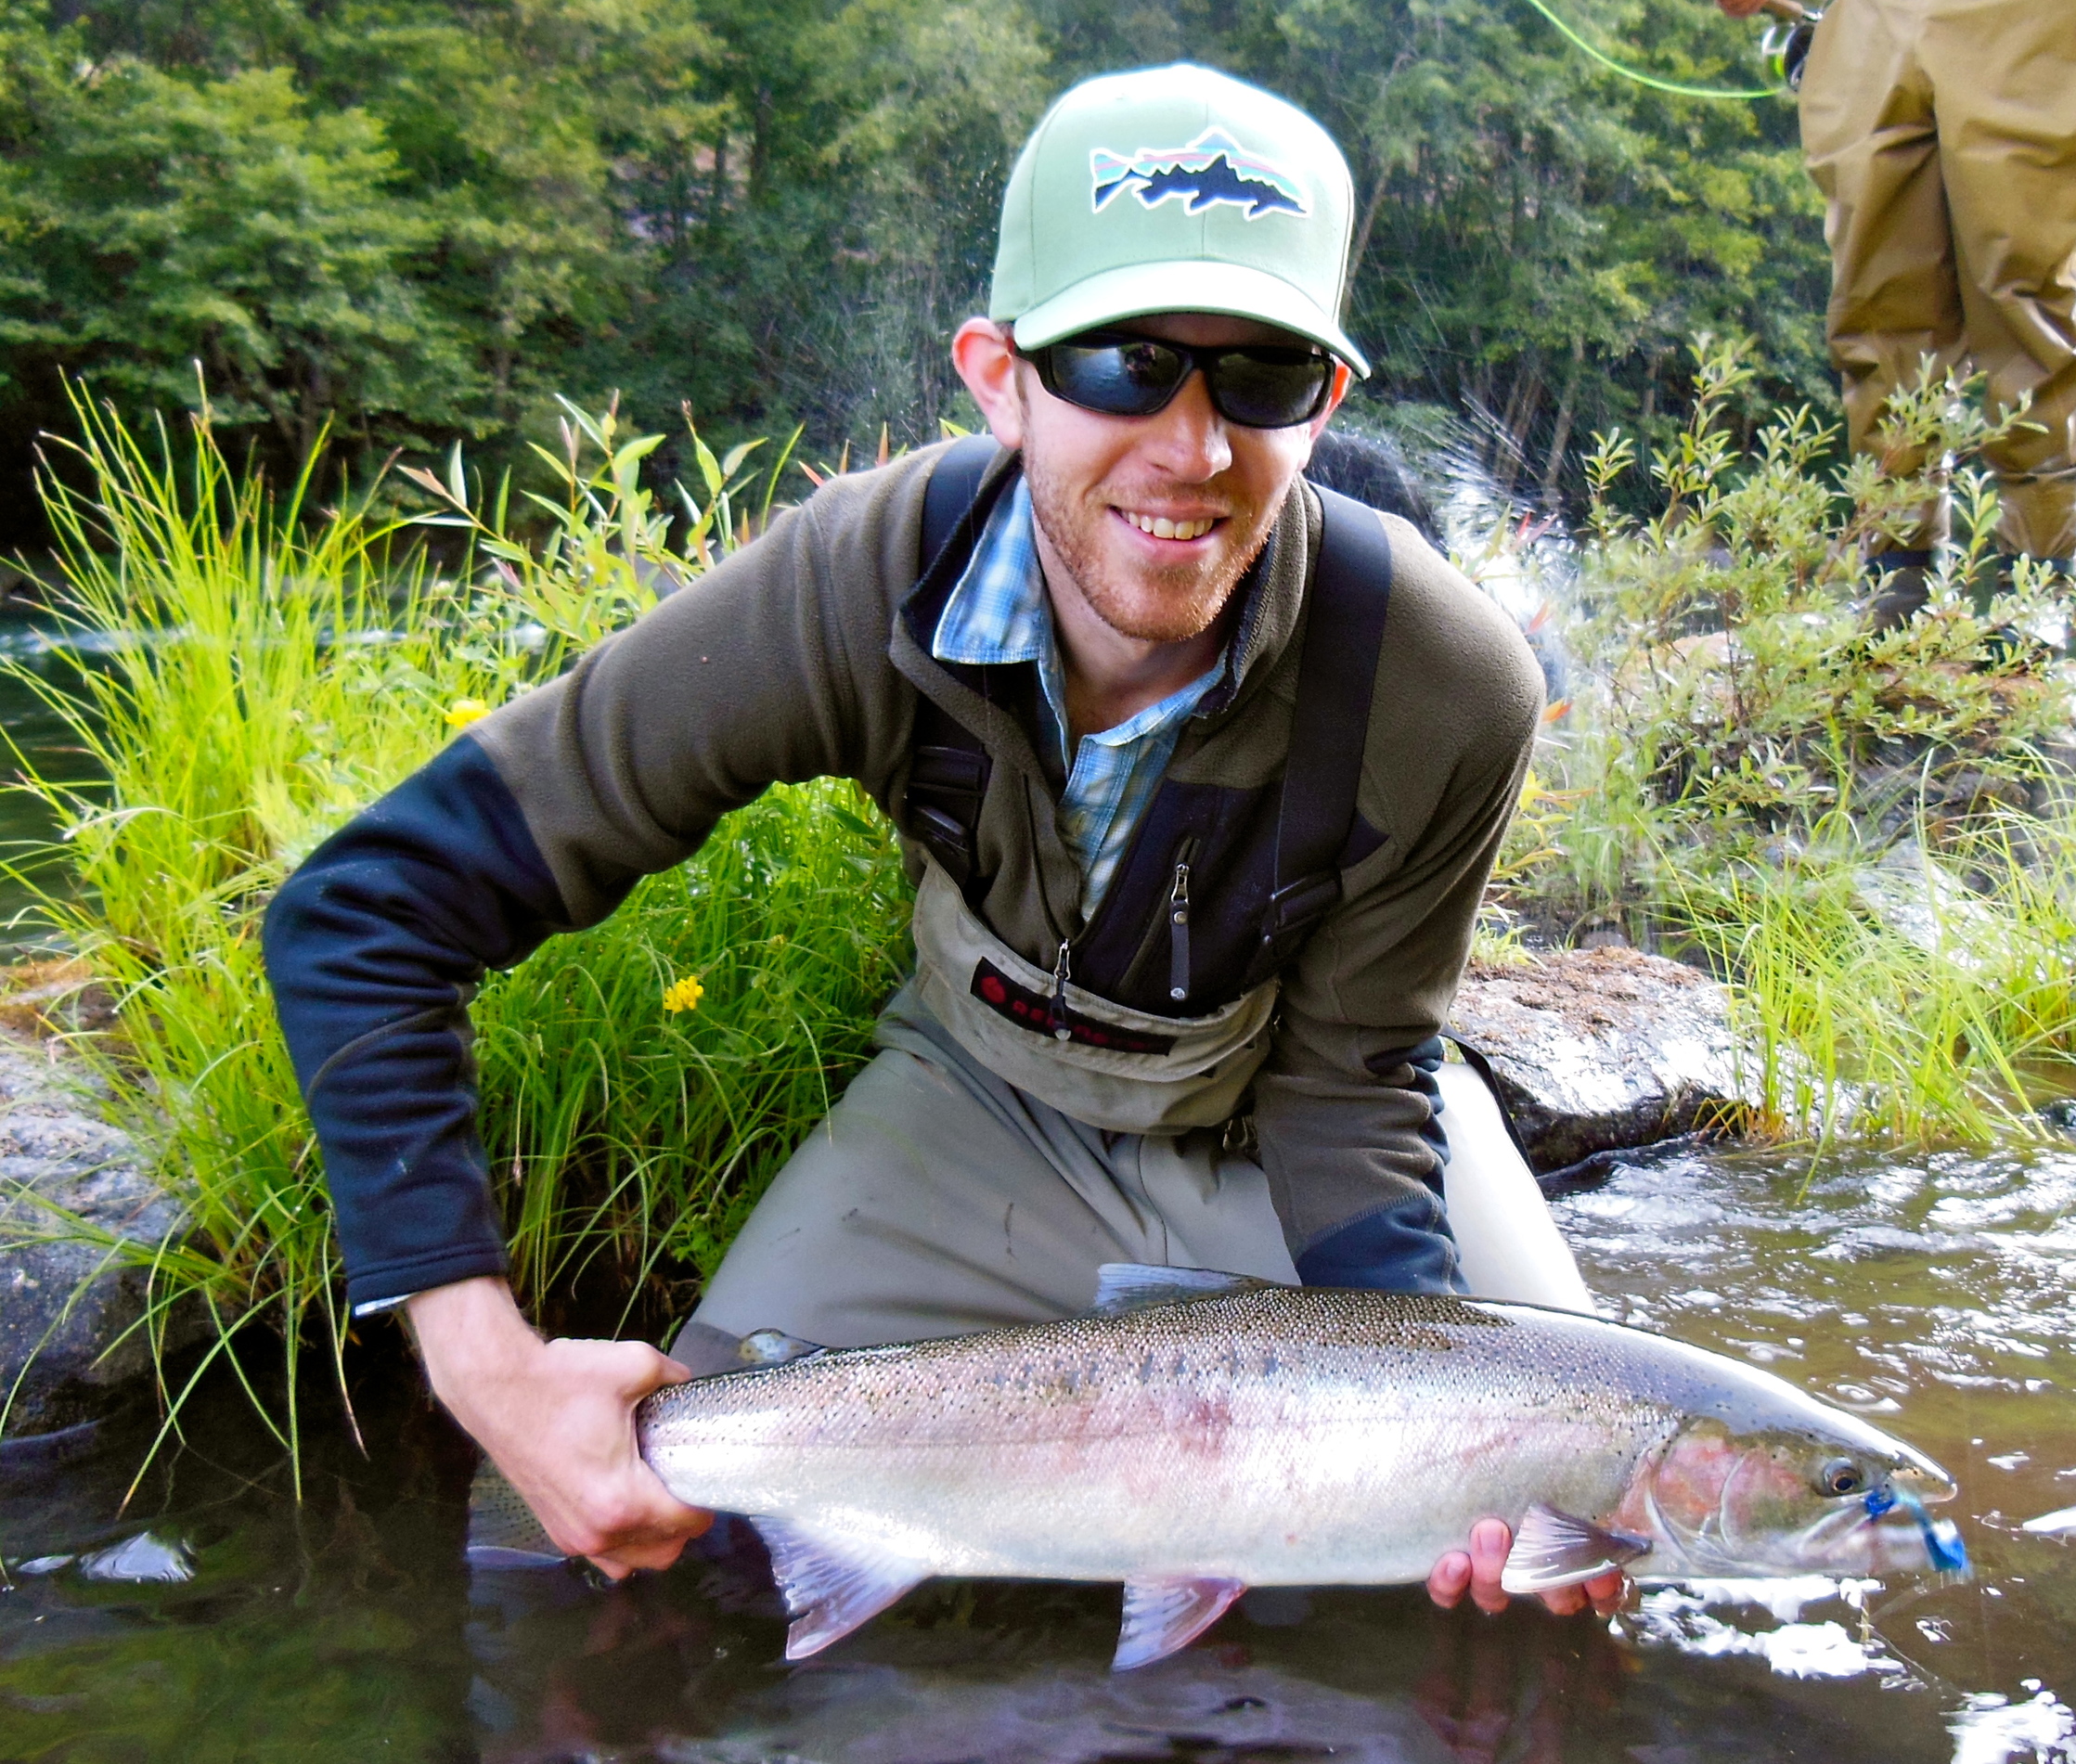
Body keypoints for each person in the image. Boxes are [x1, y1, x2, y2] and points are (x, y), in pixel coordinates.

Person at [264, 65, 1615, 1627]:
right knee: (640, 1536)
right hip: (982, 1099)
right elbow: (366, 908)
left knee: (1577, 1535)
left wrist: (1433, 1433)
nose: (1192, 445)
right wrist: (483, 1359)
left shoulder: (1442, 679)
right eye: (1124, 362)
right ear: (999, 374)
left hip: (1287, 1131)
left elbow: (1353, 1081)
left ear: (1326, 402)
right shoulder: (863, 580)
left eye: (1262, 377)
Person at [1718, 0, 2076, 608]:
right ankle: (1895, 589)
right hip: (1871, 23)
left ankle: (2035, 597)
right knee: (1878, 315)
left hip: (2048, 24)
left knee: (2028, 309)